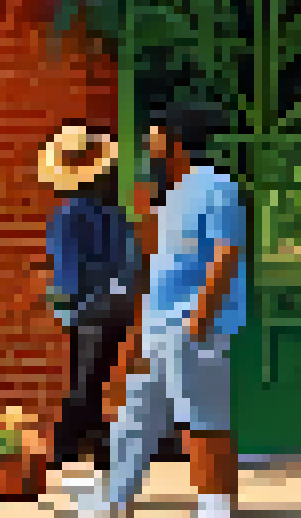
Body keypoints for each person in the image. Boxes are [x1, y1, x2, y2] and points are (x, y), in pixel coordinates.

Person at [84, 103, 248, 518]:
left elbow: (225, 255)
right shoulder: (168, 197)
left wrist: (200, 319)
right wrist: (136, 335)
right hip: (157, 327)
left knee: (203, 419)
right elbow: (156, 270)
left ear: (176, 140)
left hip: (194, 325)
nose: (146, 145)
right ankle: (116, 500)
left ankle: (215, 506)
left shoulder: (217, 188)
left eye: (153, 137)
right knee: (133, 414)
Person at [35, 125, 139, 493]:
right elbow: (129, 262)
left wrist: (63, 301)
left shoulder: (69, 213)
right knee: (94, 375)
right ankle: (95, 445)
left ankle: (68, 446)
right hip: (117, 305)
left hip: (88, 307)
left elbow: (66, 269)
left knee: (85, 377)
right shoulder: (115, 213)